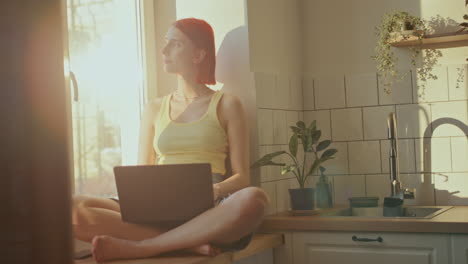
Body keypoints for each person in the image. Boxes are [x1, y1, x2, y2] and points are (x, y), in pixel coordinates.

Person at [72, 18, 270, 262]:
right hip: (157, 202)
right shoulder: (155, 108)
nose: (164, 50)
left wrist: (214, 189)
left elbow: (242, 177)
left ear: (198, 55)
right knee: (73, 208)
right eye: (165, 43)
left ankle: (145, 246)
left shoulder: (227, 104)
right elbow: (142, 170)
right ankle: (187, 243)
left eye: (174, 44)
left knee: (255, 199)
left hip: (209, 205)